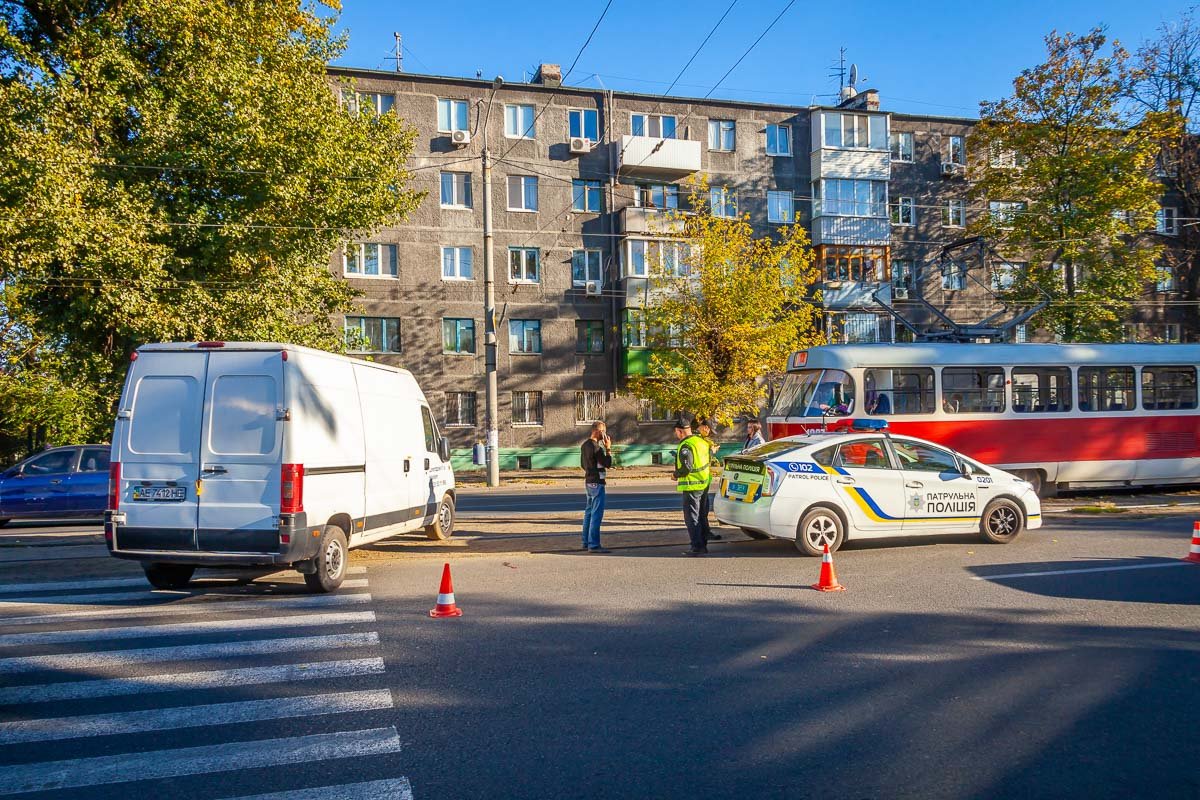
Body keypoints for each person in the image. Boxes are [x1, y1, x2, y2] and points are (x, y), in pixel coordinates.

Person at [673, 417, 712, 556]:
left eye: (676, 432)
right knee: (702, 515)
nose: (676, 435)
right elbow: (709, 458)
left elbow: (686, 468)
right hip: (704, 483)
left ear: (680, 431)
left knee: (692, 517)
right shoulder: (701, 442)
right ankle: (703, 544)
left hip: (691, 485)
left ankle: (697, 546)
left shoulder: (686, 446)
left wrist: (675, 475)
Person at [579, 420, 613, 553]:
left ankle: (585, 542)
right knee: (596, 514)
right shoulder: (596, 447)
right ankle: (594, 544)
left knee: (588, 513)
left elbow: (583, 464)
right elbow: (607, 463)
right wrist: (608, 448)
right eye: (603, 432)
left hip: (588, 481)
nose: (604, 435)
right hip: (597, 482)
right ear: (598, 431)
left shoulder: (584, 445)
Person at [695, 418, 722, 542]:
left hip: (704, 477)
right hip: (700, 478)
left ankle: (704, 531)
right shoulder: (701, 441)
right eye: (706, 428)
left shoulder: (705, 441)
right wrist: (712, 450)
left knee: (703, 507)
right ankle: (702, 532)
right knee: (701, 507)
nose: (706, 430)